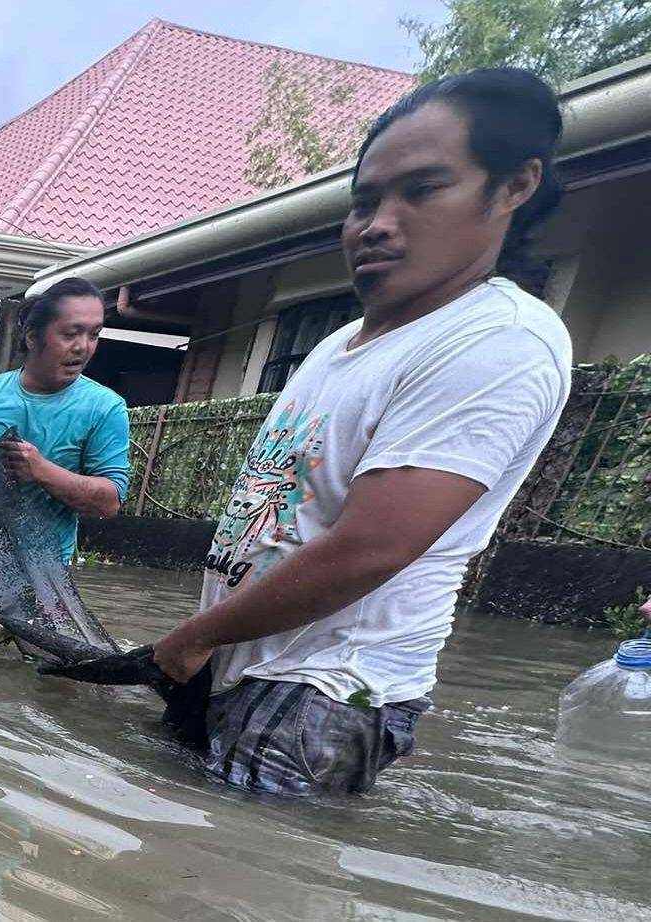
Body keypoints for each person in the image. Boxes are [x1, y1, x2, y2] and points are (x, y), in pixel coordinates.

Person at [149, 68, 572, 796]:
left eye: (422, 190)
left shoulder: (498, 342)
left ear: (513, 187)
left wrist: (194, 637)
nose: (377, 222)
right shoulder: (342, 341)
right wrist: (207, 644)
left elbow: (372, 547)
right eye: (365, 201)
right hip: (237, 663)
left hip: (325, 694)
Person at [0, 277, 132, 632]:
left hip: (43, 580)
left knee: (30, 681)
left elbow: (110, 501)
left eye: (93, 334)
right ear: (33, 336)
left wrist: (43, 471)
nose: (83, 347)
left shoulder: (105, 409)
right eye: (71, 334)